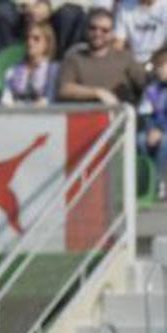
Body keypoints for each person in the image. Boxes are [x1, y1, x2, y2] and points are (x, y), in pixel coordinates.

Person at [58, 9, 145, 105]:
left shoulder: (125, 58)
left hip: (120, 115)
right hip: (84, 116)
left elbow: (145, 85)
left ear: (112, 34)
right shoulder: (74, 58)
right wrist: (98, 93)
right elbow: (64, 89)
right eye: (93, 28)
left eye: (105, 30)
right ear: (86, 29)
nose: (98, 34)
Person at [1, 22, 60, 106]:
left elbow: (51, 98)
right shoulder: (13, 70)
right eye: (27, 38)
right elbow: (6, 98)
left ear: (47, 43)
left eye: (36, 39)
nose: (30, 43)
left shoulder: (54, 70)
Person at [140, 48, 167, 200]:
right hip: (155, 130)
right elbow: (146, 113)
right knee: (141, 140)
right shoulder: (151, 90)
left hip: (164, 131)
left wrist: (161, 131)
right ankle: (151, 183)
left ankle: (161, 181)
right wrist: (151, 130)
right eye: (158, 67)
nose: (160, 70)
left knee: (164, 143)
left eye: (164, 66)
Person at [114, 0, 167, 66]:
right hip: (133, 61)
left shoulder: (165, 7)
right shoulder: (124, 6)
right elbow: (118, 43)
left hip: (160, 59)